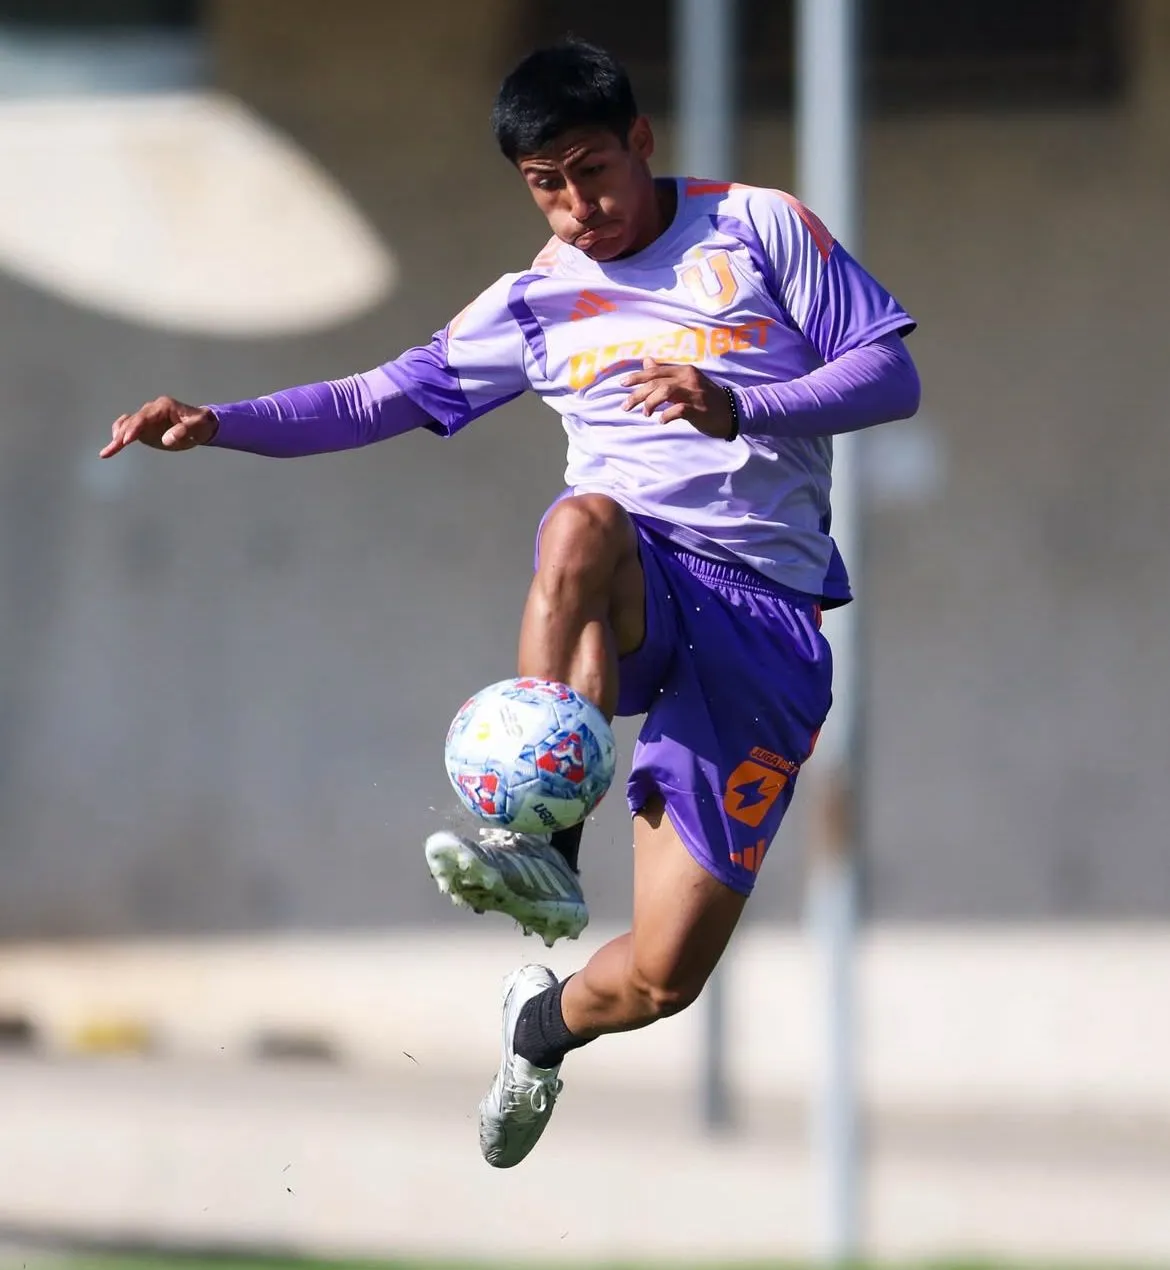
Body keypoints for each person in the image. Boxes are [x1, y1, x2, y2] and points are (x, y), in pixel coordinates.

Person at [101, 39, 919, 1169]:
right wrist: (223, 420)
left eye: (594, 169)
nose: (578, 206)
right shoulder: (534, 300)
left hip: (768, 616)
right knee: (581, 521)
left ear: (643, 141)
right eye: (547, 184)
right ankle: (536, 841)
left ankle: (540, 1026)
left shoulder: (758, 226)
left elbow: (888, 371)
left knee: (662, 976)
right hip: (644, 569)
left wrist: (738, 405)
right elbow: (373, 396)